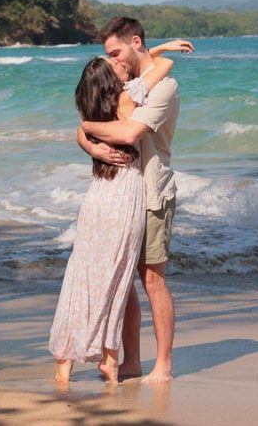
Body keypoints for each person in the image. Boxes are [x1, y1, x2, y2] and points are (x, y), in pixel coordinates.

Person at [49, 53, 175, 384]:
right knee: (116, 277)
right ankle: (109, 359)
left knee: (83, 275)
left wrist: (87, 134)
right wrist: (164, 50)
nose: (121, 64)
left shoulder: (87, 109)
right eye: (114, 63)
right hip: (124, 196)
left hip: (96, 196)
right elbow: (162, 67)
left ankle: (65, 359)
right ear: (111, 81)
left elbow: (85, 126)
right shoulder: (126, 98)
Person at [79, 17, 192, 384]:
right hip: (121, 195)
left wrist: (89, 129)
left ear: (136, 42)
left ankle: (164, 365)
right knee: (123, 279)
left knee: (152, 280)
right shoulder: (129, 83)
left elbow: (129, 132)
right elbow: (90, 120)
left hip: (152, 194)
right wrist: (87, 139)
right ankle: (130, 362)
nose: (112, 61)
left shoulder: (165, 88)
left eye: (115, 53)